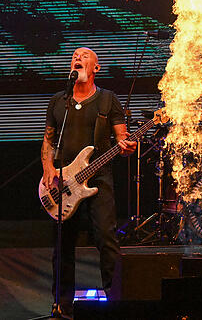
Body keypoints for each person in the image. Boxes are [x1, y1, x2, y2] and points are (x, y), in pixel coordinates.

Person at [41, 47, 136, 316]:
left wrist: (125, 145)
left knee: (106, 240)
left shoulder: (107, 100)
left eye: (84, 56)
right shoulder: (59, 101)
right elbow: (48, 139)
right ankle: (61, 306)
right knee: (62, 246)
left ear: (96, 68)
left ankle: (117, 303)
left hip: (98, 178)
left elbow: (121, 137)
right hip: (62, 182)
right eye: (74, 56)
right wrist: (48, 168)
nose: (77, 58)